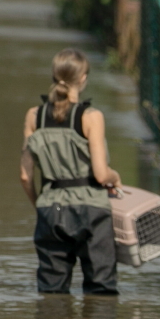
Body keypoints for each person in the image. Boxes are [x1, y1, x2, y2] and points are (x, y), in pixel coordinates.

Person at [19, 49, 121, 295]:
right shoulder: (91, 116)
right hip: (91, 210)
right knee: (101, 289)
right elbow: (100, 174)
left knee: (51, 291)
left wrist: (40, 205)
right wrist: (115, 177)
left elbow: (25, 176)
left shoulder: (34, 116)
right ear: (83, 78)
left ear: (54, 76)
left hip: (50, 208)